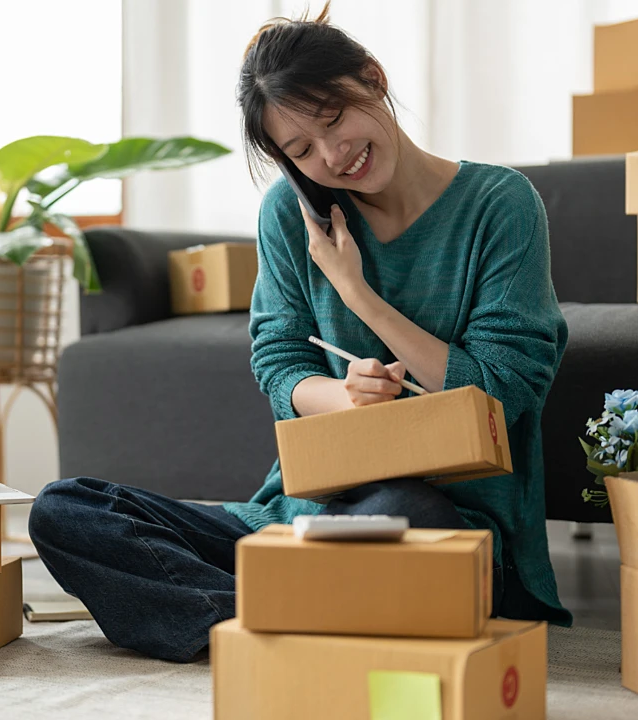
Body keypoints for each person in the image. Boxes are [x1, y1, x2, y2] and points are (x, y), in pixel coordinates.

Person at [28, 4, 571, 663]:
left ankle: (243, 610)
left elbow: (501, 391)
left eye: (333, 119)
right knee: (66, 509)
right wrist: (345, 400)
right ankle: (281, 608)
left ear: (370, 79)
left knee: (402, 510)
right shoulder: (290, 214)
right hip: (298, 515)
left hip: (449, 521)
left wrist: (356, 294)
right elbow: (278, 361)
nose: (331, 155)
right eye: (300, 150)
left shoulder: (498, 205)